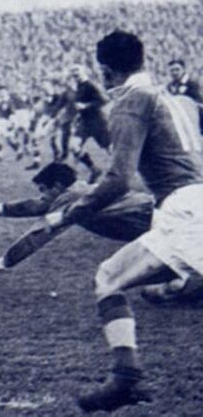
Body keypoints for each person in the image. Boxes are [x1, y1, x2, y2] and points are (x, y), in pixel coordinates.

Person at [55, 30, 203, 412]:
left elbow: (119, 179)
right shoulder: (176, 98)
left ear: (105, 71)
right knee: (142, 283)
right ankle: (125, 378)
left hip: (184, 210)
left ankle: (125, 379)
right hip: (191, 202)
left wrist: (77, 210)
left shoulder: (130, 101)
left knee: (108, 278)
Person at [0, 162, 153, 273]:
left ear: (56, 186)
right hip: (155, 221)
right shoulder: (75, 190)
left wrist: (3, 262)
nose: (42, 196)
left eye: (44, 190)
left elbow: (38, 234)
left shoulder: (71, 196)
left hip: (162, 221)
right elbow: (36, 205)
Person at [68, 64, 109, 183]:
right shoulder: (79, 87)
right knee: (74, 147)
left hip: (98, 122)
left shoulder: (91, 85)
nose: (75, 73)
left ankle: (128, 173)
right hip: (84, 123)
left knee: (110, 149)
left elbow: (105, 100)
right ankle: (94, 169)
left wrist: (86, 106)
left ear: (84, 71)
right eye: (73, 71)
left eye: (77, 70)